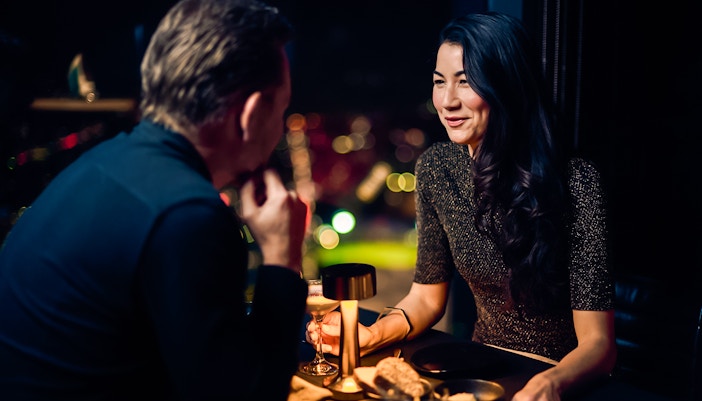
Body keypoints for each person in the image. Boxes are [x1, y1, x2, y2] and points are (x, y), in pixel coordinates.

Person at [0, 0, 309, 400]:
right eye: (282, 109)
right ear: (249, 114)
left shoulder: (106, 161)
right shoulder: (186, 215)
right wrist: (283, 259)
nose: (281, 127)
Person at [308, 11, 616, 401]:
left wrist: (548, 382)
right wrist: (372, 334)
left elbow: (599, 345)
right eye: (439, 82)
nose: (447, 101)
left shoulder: (576, 181)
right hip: (479, 372)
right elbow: (425, 298)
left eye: (466, 82)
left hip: (562, 381)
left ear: (506, 86)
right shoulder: (437, 168)